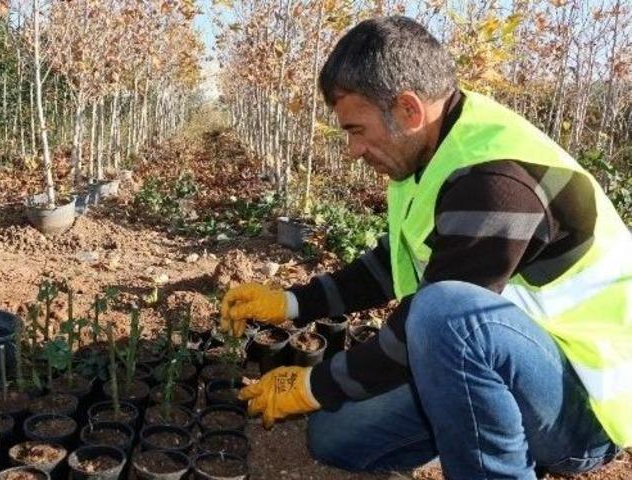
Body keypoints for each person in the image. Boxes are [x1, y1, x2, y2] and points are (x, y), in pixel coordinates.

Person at [220, 16, 631, 479]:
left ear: (408, 110)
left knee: (442, 313)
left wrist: (311, 384)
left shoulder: (497, 181)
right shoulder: (429, 148)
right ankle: (480, 430)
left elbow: (438, 319)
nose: (353, 149)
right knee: (334, 437)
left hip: (580, 406)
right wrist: (292, 302)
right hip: (499, 368)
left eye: (356, 129)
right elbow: (389, 265)